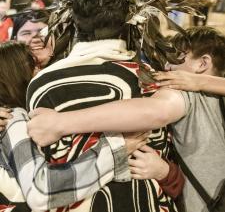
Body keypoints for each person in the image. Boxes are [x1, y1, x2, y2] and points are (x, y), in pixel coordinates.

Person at [28, 26, 225, 212]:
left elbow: (153, 112)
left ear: (203, 63)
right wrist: (165, 173)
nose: (167, 65)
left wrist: (60, 123)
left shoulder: (189, 94)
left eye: (176, 57)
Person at [26, 0, 184, 211]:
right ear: (130, 19)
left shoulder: (42, 84)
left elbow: (42, 173)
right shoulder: (152, 78)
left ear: (71, 18)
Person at [0, 41, 148, 211]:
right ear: (15, 74)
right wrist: (115, 150)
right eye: (34, 66)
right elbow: (42, 190)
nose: (41, 72)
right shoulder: (12, 119)